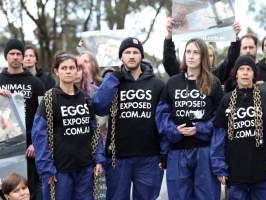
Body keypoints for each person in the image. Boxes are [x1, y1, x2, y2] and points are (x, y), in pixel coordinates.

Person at [92, 37, 165, 200]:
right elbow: (98, 107)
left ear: (141, 56)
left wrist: (163, 153)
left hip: (149, 157)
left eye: (135, 52)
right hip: (118, 157)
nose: (131, 56)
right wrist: (112, 80)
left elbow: (163, 121)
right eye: (127, 52)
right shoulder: (113, 81)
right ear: (121, 56)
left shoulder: (157, 85)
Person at [156, 38, 223, 199]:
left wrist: (200, 129)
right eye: (188, 52)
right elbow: (161, 114)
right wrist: (174, 130)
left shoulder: (213, 83)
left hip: (204, 151)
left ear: (203, 57)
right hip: (177, 151)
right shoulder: (172, 82)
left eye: (196, 52)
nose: (191, 56)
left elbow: (220, 118)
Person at [31, 53, 105, 200]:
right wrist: (46, 169)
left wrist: (99, 159)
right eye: (64, 68)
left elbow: (94, 132)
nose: (68, 71)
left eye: (72, 67)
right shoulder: (49, 99)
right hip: (60, 172)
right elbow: (39, 136)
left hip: (85, 169)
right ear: (56, 71)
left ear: (78, 70)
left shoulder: (85, 98)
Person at [210, 55, 266, 199]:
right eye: (241, 69)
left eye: (249, 69)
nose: (245, 72)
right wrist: (219, 167)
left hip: (262, 173)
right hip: (235, 173)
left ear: (254, 74)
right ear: (236, 74)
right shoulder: (226, 99)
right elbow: (219, 136)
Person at [0, 38, 45, 200]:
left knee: (30, 188)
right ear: (6, 56)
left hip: (30, 146)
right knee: (7, 187)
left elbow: (44, 114)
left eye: (19, 53)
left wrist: (35, 141)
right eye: (12, 53)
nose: (16, 57)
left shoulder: (35, 82)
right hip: (5, 144)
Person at [163, 17, 241, 85]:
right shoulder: (181, 75)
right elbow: (169, 61)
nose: (207, 58)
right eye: (189, 52)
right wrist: (169, 35)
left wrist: (235, 37)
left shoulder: (215, 78)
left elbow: (231, 60)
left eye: (210, 55)